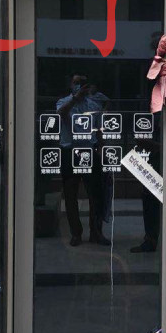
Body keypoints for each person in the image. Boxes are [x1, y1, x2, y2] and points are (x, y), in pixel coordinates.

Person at [57, 74, 110, 247]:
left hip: (89, 150)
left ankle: (96, 232)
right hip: (70, 151)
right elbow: (61, 113)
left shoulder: (94, 105)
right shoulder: (64, 102)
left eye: (82, 83)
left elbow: (99, 130)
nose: (79, 86)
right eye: (76, 82)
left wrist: (102, 150)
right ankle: (76, 233)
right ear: (71, 85)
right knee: (70, 194)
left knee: (95, 194)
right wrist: (75, 99)